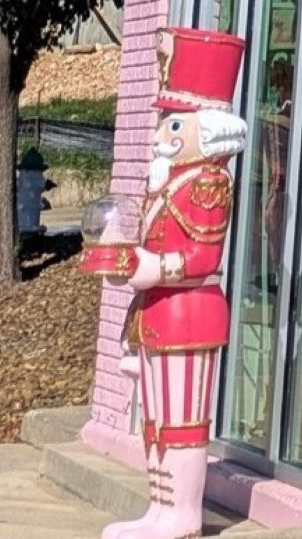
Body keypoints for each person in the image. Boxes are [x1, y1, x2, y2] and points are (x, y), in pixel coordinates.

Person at [100, 29, 248, 539]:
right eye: (165, 121)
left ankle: (183, 511)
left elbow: (198, 255)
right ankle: (160, 506)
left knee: (182, 422)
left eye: (174, 123)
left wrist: (149, 266)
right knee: (156, 419)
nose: (163, 134)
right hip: (159, 311)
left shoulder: (208, 182)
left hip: (190, 311)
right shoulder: (171, 181)